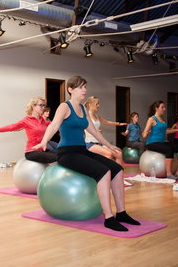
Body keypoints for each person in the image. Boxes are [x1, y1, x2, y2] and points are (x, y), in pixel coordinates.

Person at [35, 76, 140, 232]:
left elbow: (94, 131)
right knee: (104, 172)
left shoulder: (83, 109)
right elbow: (54, 125)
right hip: (67, 153)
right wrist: (44, 142)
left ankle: (121, 213)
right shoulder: (65, 107)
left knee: (117, 170)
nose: (84, 90)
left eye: (85, 86)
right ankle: (109, 217)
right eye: (80, 87)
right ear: (70, 89)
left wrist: (109, 145)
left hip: (82, 150)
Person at [0, 97, 57, 164]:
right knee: (57, 157)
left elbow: (55, 125)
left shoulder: (43, 120)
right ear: (33, 106)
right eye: (41, 105)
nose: (43, 107)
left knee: (62, 156)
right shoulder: (26, 120)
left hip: (42, 150)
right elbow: (12, 126)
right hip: (32, 152)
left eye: (44, 105)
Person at [142, 101, 178, 180]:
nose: (164, 109)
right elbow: (144, 133)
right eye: (162, 107)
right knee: (168, 149)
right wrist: (145, 133)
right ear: (156, 108)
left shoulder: (162, 119)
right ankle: (169, 174)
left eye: (164, 107)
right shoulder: (152, 119)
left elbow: (165, 131)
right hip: (152, 143)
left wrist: (177, 130)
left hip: (161, 142)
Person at [84, 96, 127, 165]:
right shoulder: (86, 116)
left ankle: (118, 174)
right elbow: (84, 127)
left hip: (99, 143)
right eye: (96, 104)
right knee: (109, 154)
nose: (98, 105)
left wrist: (119, 124)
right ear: (90, 105)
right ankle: (105, 174)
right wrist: (95, 131)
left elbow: (107, 122)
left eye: (98, 103)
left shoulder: (97, 116)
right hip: (90, 144)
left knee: (119, 154)